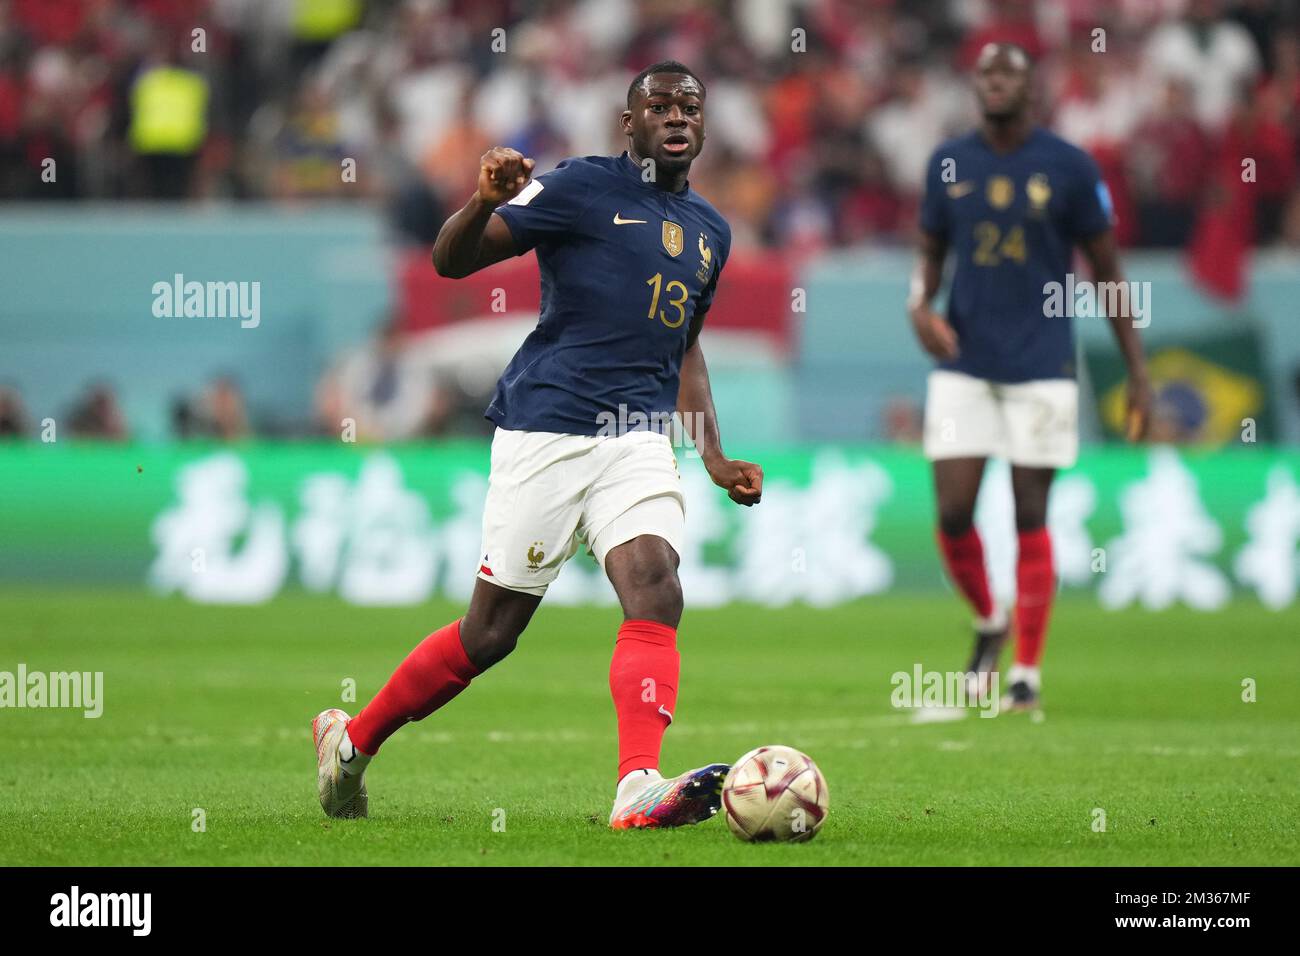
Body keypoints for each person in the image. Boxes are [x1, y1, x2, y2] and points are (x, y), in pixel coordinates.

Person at [312, 62, 764, 828]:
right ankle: (351, 743)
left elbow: (685, 350)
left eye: (690, 104)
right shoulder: (580, 187)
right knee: (489, 634)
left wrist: (714, 455)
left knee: (656, 582)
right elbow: (452, 261)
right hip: (547, 426)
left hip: (639, 439)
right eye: (658, 104)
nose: (676, 114)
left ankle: (636, 785)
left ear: (705, 124)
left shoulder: (711, 233)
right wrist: (483, 199)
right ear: (631, 124)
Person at [908, 43, 1151, 711]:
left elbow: (1106, 268)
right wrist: (918, 302)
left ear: (1030, 87)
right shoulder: (947, 162)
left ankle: (1027, 675)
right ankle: (991, 621)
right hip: (964, 359)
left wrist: (1137, 370)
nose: (994, 82)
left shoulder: (1069, 166)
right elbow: (931, 249)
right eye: (985, 72)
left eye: (1008, 72)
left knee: (1029, 512)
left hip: (1044, 362)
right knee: (953, 512)